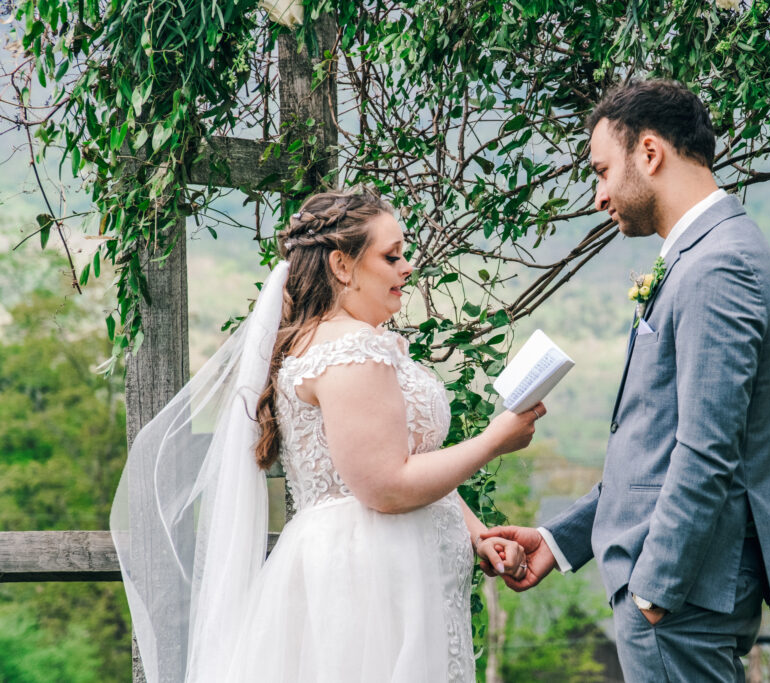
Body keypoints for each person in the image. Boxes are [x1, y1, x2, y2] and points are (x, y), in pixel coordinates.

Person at [111, 188, 546, 683]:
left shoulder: (353, 342)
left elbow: (407, 457)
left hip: (396, 569)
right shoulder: (351, 350)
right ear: (342, 265)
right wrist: (494, 439)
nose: (407, 267)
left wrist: (477, 534)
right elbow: (385, 486)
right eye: (392, 255)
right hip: (371, 582)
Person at [481, 80, 770, 682]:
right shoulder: (702, 255)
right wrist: (559, 539)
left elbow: (707, 448)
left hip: (681, 599)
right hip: (676, 597)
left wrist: (654, 589)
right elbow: (652, 444)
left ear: (649, 153)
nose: (599, 195)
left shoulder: (718, 265)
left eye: (602, 171)